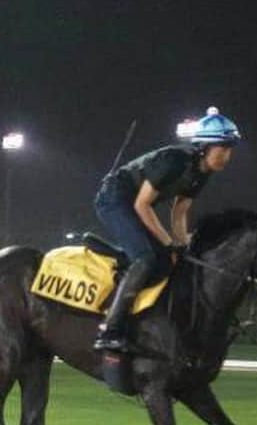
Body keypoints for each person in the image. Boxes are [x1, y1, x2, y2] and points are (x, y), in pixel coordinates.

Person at [92, 107, 241, 352]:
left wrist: (182, 247)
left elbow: (180, 212)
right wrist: (168, 242)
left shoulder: (202, 173)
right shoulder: (175, 160)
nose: (227, 156)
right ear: (204, 147)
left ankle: (143, 319)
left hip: (134, 204)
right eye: (223, 149)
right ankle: (110, 329)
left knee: (170, 262)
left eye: (230, 150)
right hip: (114, 199)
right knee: (146, 258)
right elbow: (142, 204)